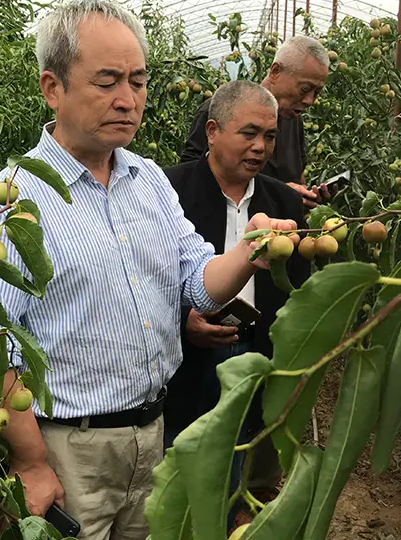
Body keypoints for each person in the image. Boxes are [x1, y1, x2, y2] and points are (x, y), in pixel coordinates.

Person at [0, 0, 297, 540]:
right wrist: (31, 461)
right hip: (69, 449)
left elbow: (196, 279)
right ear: (53, 88)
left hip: (152, 434)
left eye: (137, 81)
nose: (127, 99)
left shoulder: (149, 181)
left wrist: (250, 250)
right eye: (107, 81)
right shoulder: (13, 200)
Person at [162, 80, 311, 525]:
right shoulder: (168, 191)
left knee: (236, 450)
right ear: (212, 131)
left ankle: (223, 517)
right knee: (179, 451)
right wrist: (182, 320)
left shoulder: (283, 201)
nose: (260, 146)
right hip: (188, 354)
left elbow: (295, 288)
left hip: (253, 348)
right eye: (248, 133)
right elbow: (145, 279)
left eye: (269, 135)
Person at [179, 35, 333, 209]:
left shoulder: (293, 119)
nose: (310, 100)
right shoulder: (222, 109)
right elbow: (190, 179)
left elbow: (296, 175)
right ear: (275, 72)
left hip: (282, 232)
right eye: (305, 89)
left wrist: (305, 195)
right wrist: (280, 192)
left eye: (317, 93)